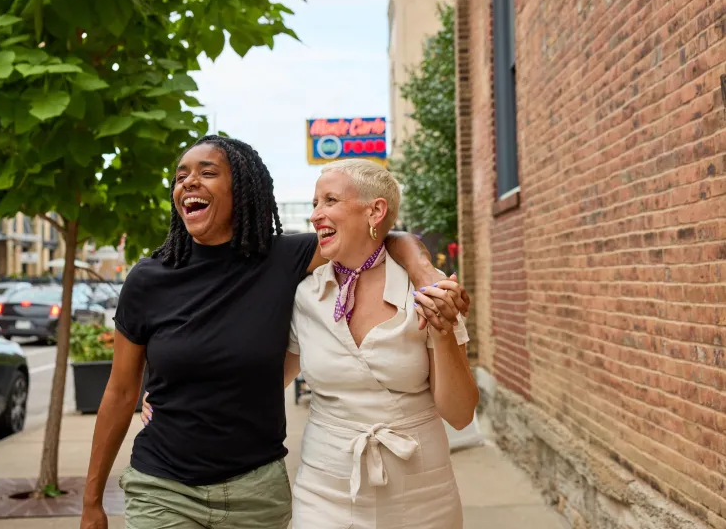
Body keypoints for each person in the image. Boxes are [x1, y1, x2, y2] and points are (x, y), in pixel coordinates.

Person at [80, 136, 469, 529]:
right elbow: (119, 390)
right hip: (164, 486)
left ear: (242, 188)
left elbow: (379, 237)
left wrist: (423, 274)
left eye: (207, 172)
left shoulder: (282, 258)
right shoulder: (148, 279)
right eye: (181, 176)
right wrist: (91, 500)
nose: (189, 182)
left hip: (257, 491)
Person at [283, 160, 479, 528]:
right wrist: (179, 392)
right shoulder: (305, 295)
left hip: (422, 495)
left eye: (329, 200)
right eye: (314, 204)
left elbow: (459, 413)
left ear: (375, 210)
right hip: (323, 490)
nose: (316, 215)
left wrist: (442, 331)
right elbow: (262, 382)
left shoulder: (429, 291)